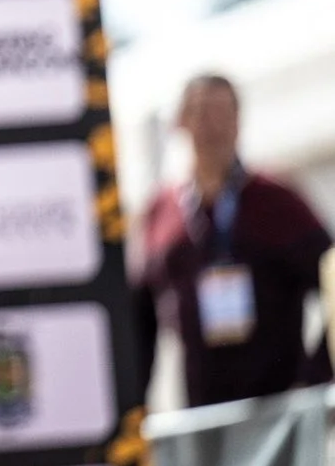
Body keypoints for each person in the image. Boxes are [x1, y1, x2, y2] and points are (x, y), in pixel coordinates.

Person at [136, 74, 333, 407]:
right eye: (201, 114)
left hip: (279, 413)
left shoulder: (276, 201)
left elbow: (332, 280)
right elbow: (140, 320)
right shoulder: (162, 211)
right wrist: (136, 404)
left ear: (238, 122)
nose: (212, 127)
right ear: (181, 124)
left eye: (221, 113)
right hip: (201, 416)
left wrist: (314, 379)